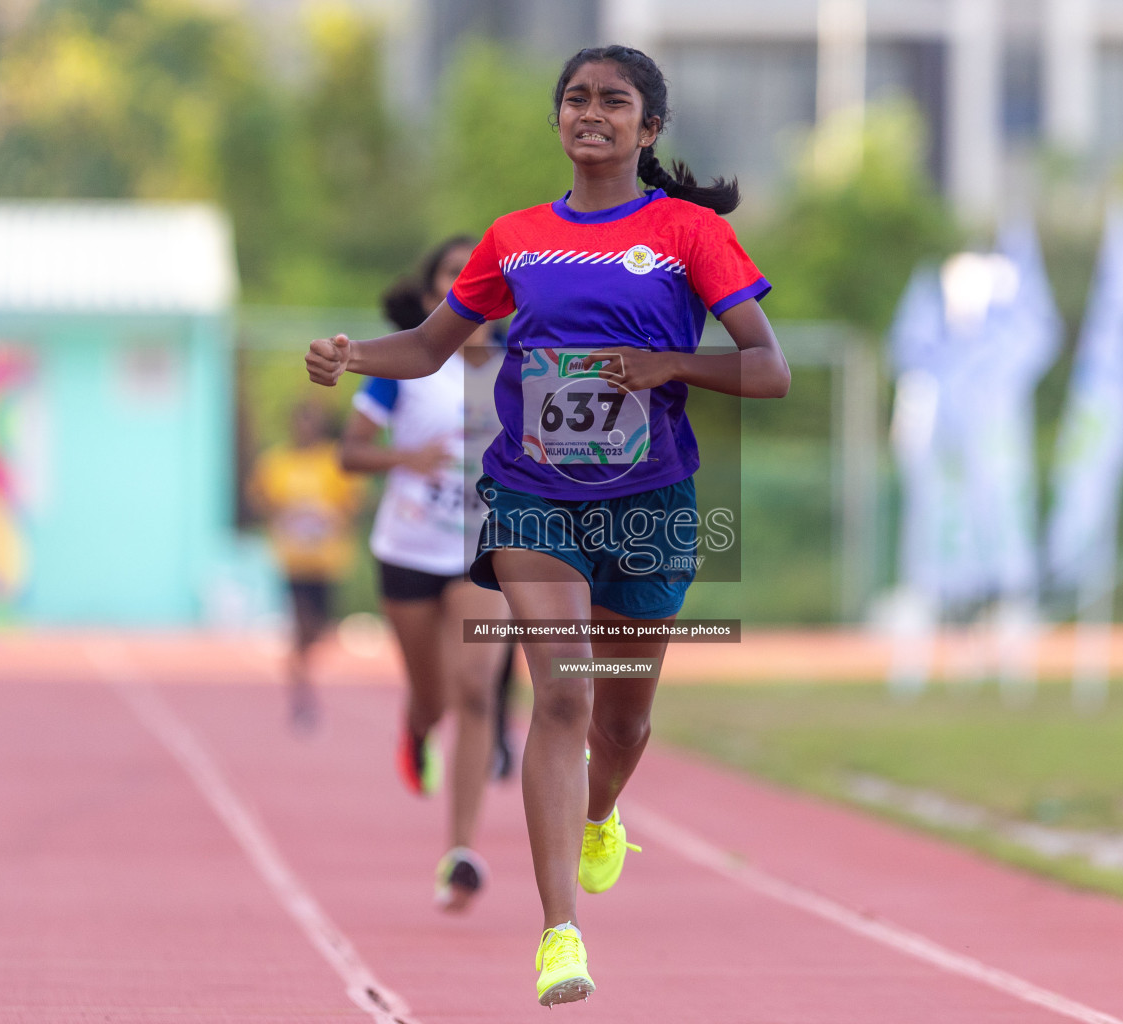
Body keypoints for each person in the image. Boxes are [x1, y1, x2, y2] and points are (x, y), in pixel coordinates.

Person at [307, 45, 789, 1006]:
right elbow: (433, 345)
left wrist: (667, 368)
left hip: (650, 497)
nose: (591, 113)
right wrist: (355, 352)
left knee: (625, 720)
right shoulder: (516, 237)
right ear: (559, 119)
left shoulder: (689, 234)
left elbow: (767, 369)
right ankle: (559, 933)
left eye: (614, 102)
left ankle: (602, 812)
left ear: (647, 129)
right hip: (534, 490)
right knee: (561, 696)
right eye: (576, 99)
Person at [337, 236, 518, 912]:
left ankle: (461, 852)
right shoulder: (404, 367)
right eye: (451, 274)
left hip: (485, 551)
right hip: (410, 550)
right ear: (428, 294)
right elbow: (349, 454)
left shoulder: (524, 368)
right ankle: (416, 729)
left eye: (478, 276)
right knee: (434, 697)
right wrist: (403, 458)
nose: (463, 284)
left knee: (477, 690)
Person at [247, 400, 365, 731]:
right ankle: (302, 697)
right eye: (301, 422)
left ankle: (302, 667)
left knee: (319, 631)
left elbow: (353, 504)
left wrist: (328, 518)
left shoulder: (334, 461)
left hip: (328, 561)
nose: (305, 429)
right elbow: (259, 500)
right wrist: (283, 514)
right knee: (300, 627)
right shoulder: (275, 463)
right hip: (293, 561)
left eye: (311, 422)